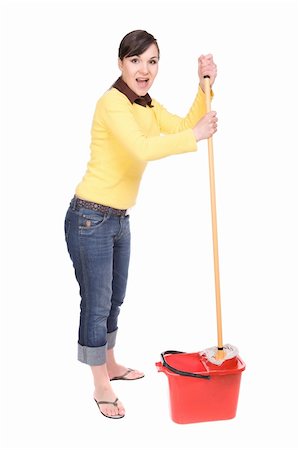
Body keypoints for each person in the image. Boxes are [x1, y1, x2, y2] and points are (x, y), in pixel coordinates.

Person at [64, 30, 217, 419]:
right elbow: (144, 148)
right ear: (121, 63)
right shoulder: (112, 103)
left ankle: (111, 363)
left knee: (114, 299)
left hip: (118, 218)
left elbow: (185, 124)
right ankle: (100, 383)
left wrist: (205, 86)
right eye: (135, 60)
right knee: (96, 306)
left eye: (152, 61)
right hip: (89, 217)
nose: (144, 69)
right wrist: (196, 136)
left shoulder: (146, 105)